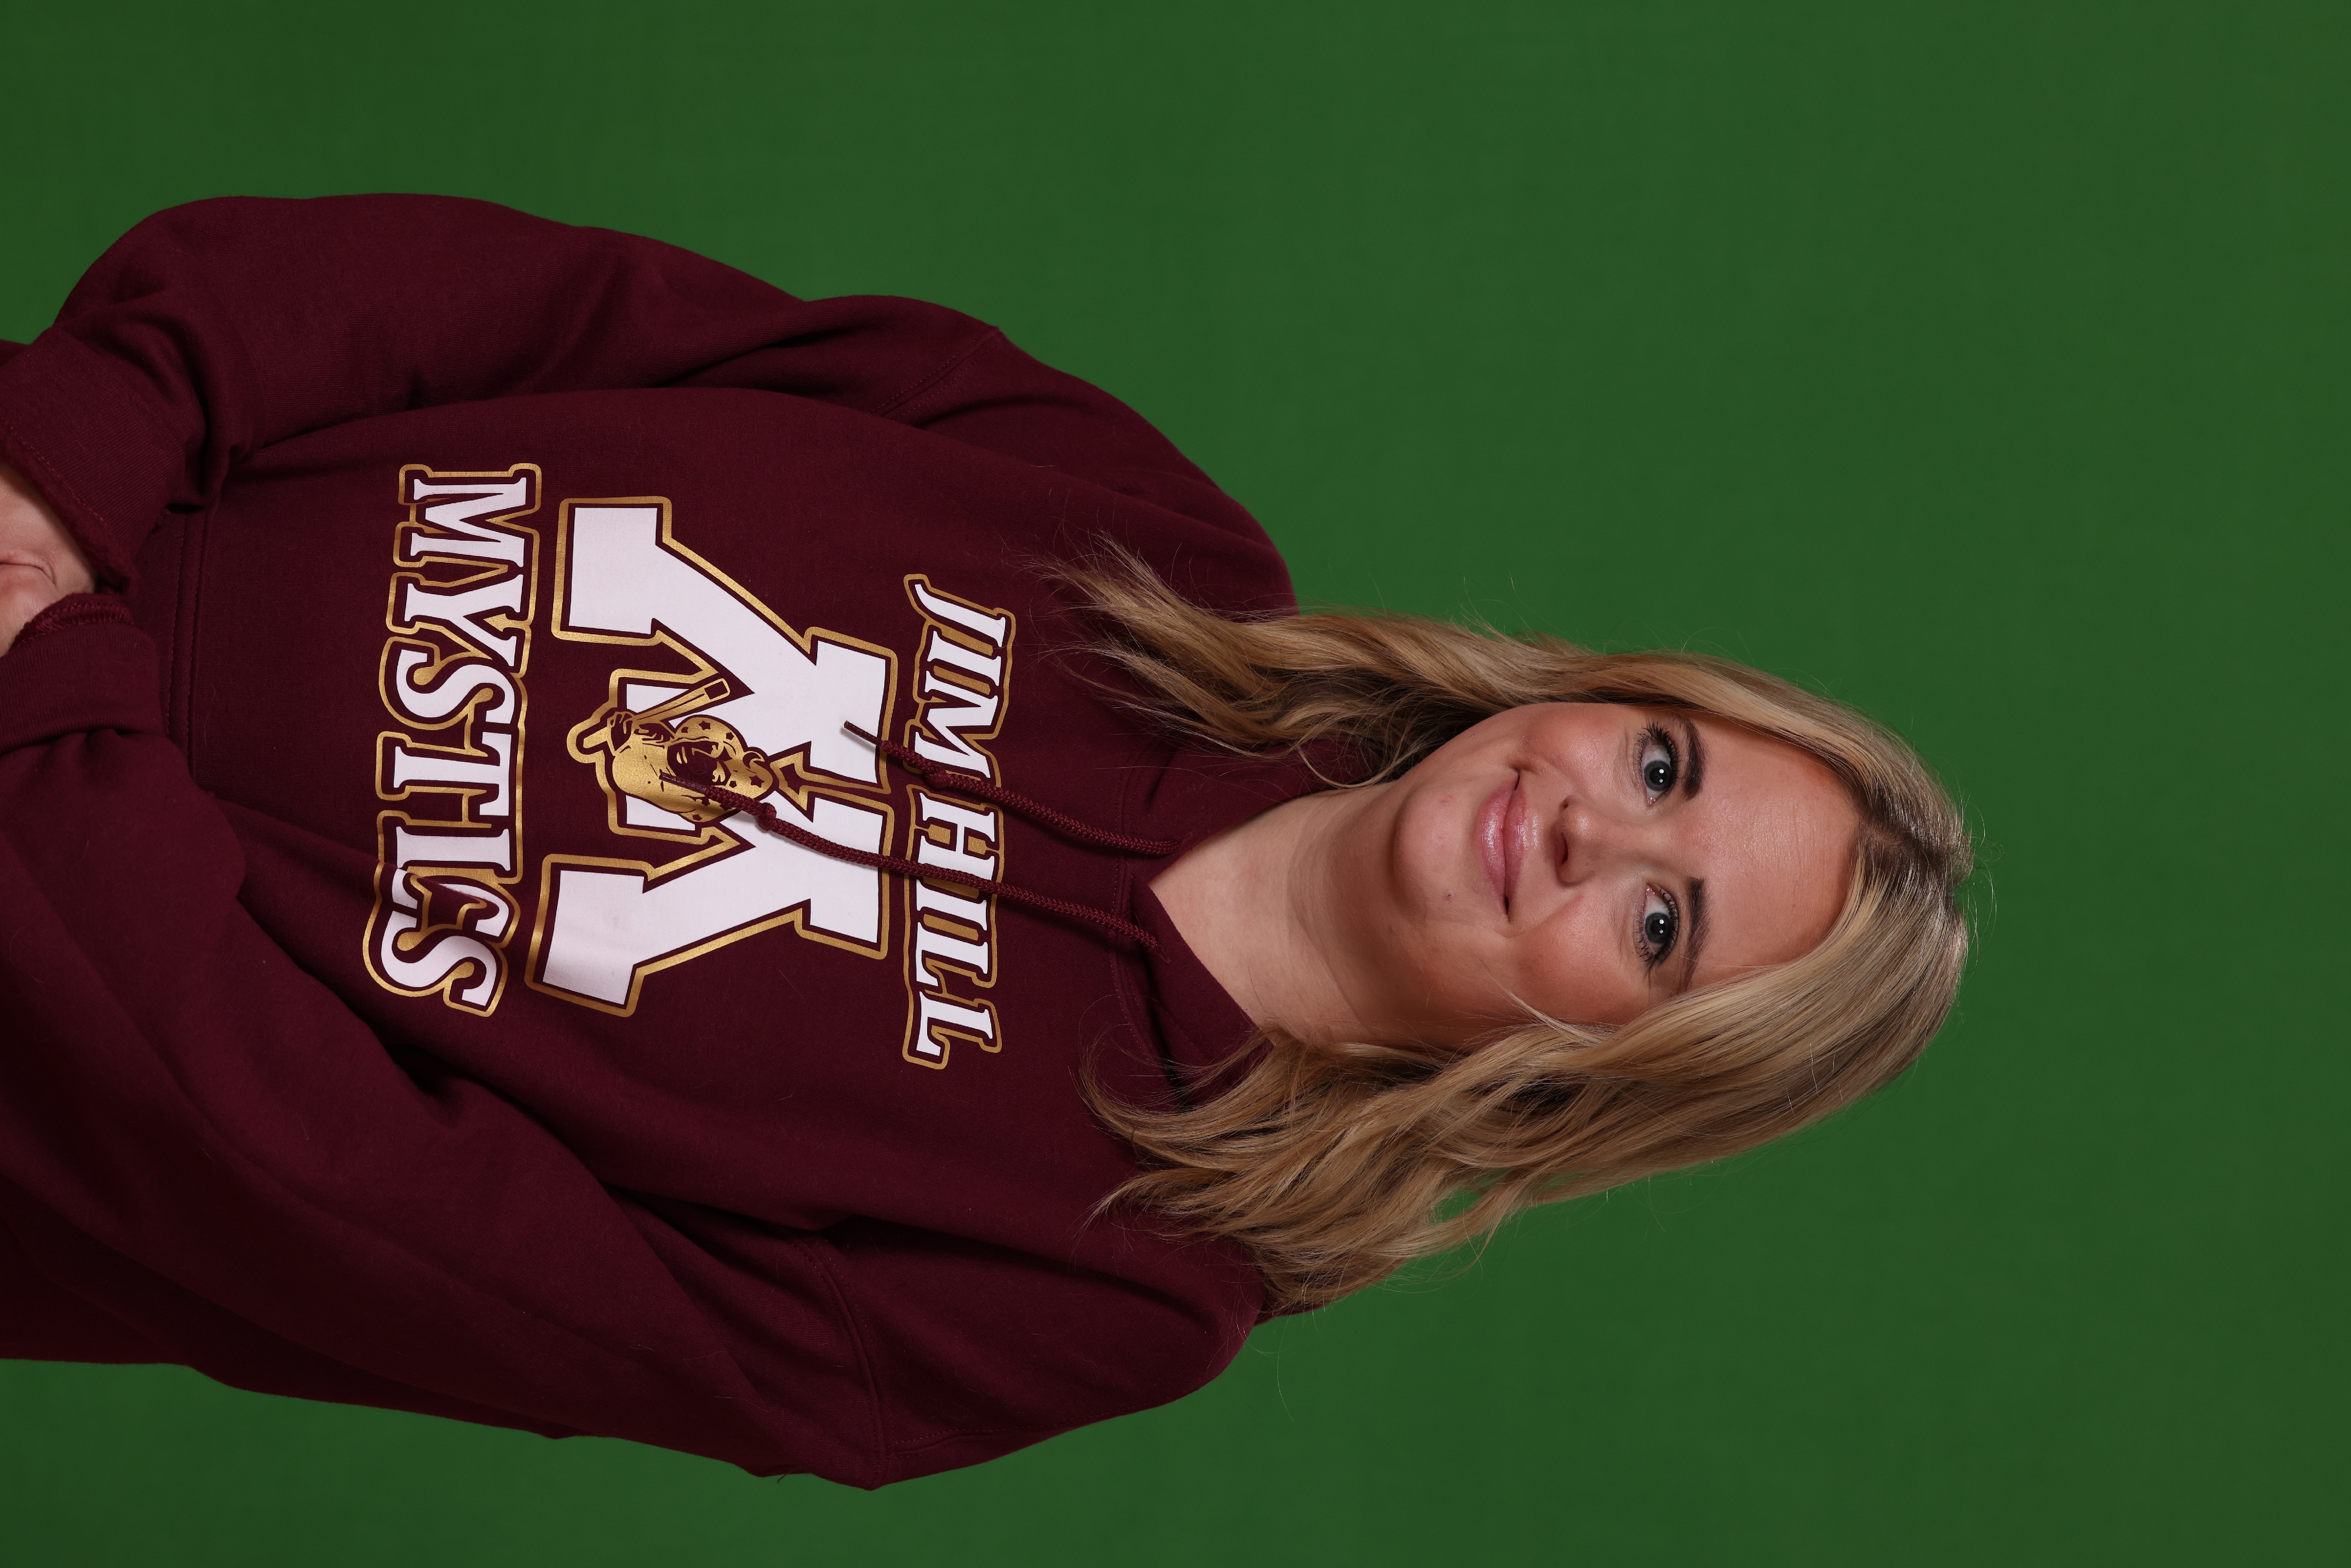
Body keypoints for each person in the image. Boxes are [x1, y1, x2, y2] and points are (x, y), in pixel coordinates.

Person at [0, 197, 1970, 1488]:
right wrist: (67, 469)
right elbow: (562, 307)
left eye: (1660, 928)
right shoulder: (1136, 523)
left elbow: (380, 1232)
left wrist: (47, 704)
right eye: (1658, 767)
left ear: (1605, 1078)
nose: (1587, 833)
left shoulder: (1117, 1283)